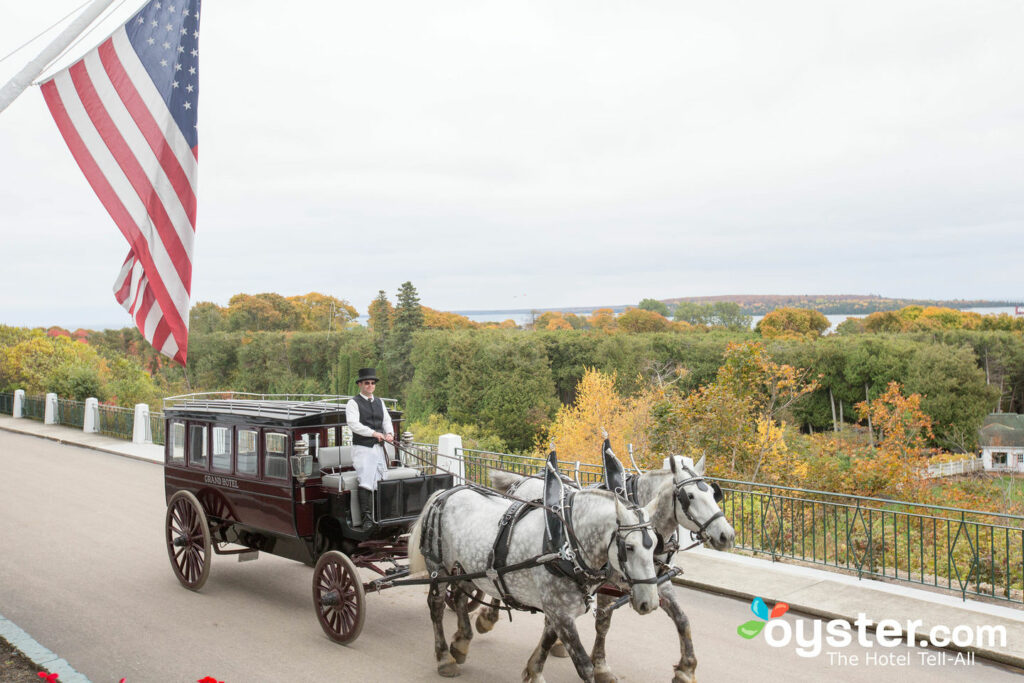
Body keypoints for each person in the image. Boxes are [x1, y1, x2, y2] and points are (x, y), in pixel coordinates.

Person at [345, 368, 394, 530]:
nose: (370, 386)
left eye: (372, 383)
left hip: (379, 448)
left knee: (380, 479)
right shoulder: (353, 403)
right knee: (366, 481)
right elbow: (353, 424)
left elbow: (386, 420)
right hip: (363, 448)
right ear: (360, 384)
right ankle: (366, 519)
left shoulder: (380, 402)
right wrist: (373, 433)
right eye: (367, 383)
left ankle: (380, 516)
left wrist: (389, 434)